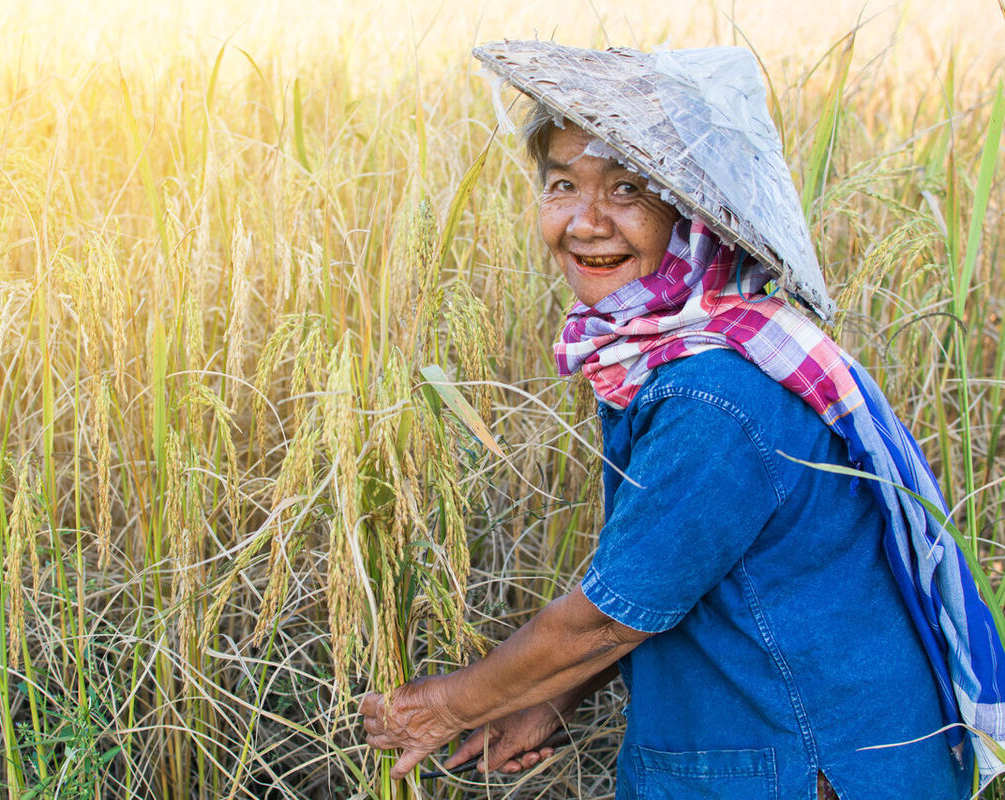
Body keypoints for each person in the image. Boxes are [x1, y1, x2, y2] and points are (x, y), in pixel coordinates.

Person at [360, 41, 1005, 799]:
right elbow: (669, 573)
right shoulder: (679, 353)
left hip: (807, 769)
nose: (585, 221)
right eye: (563, 184)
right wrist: (552, 696)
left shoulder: (714, 396)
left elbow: (608, 618)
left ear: (698, 216)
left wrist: (444, 706)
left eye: (629, 189)